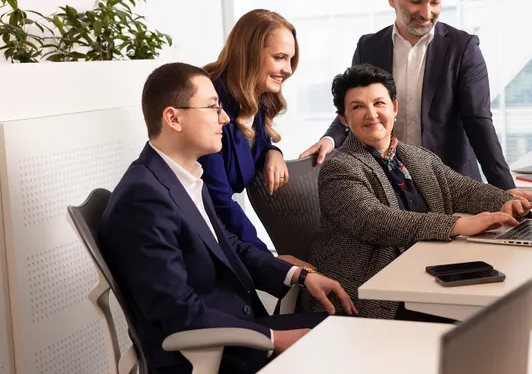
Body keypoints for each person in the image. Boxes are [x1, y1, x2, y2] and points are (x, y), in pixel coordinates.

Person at [98, 62, 357, 374]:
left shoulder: (186, 175)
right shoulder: (144, 200)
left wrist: (298, 276)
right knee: (347, 344)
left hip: (236, 331)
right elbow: (178, 311)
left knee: (348, 326)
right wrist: (273, 338)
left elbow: (230, 246)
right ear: (173, 118)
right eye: (212, 107)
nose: (224, 117)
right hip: (207, 354)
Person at [299, 0, 532, 203]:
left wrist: (504, 189)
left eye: (435, 2)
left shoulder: (463, 48)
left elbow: (478, 122)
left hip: (451, 184)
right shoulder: (369, 46)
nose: (427, 13)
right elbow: (354, 107)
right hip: (388, 185)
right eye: (416, 1)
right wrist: (329, 140)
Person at [300, 64, 532, 320]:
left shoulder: (415, 156)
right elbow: (374, 221)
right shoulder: (339, 166)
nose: (371, 114)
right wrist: (459, 225)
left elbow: (462, 190)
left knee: (505, 296)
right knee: (486, 315)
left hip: (422, 275)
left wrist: (507, 201)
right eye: (357, 107)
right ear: (344, 119)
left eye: (379, 103)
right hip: (368, 296)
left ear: (394, 108)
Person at [199, 8, 312, 267]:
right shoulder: (211, 101)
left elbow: (253, 144)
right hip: (197, 233)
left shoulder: (256, 97)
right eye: (279, 57)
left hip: (218, 226)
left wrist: (273, 151)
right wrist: (267, 257)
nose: (288, 69)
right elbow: (217, 198)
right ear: (249, 53)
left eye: (290, 59)